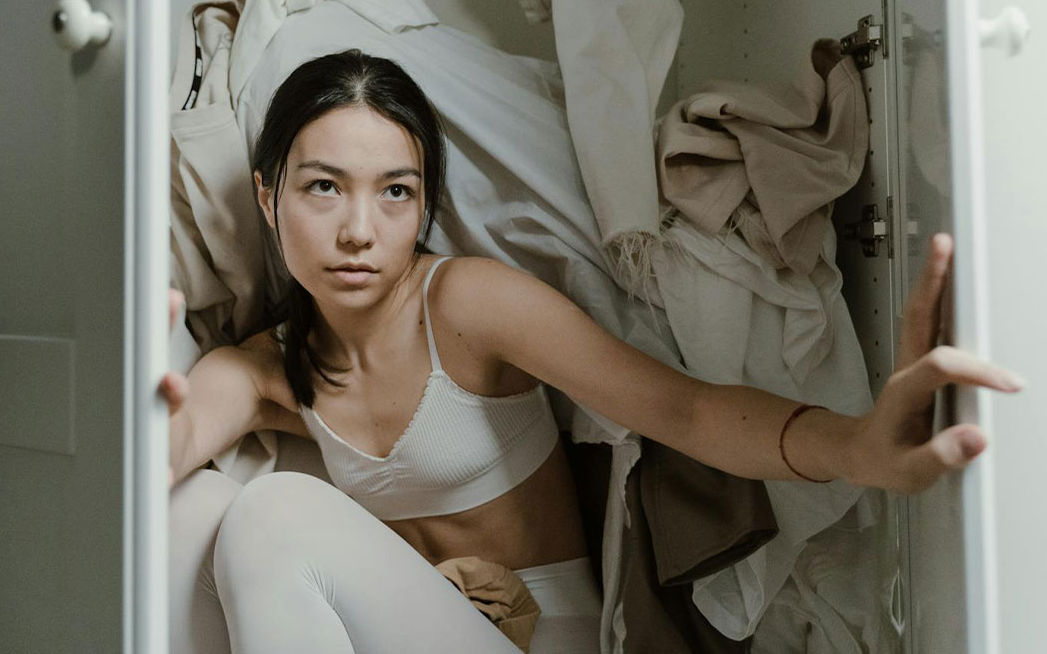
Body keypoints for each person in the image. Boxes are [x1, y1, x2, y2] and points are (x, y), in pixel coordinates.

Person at [159, 50, 1021, 654]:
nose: (359, 230)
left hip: (540, 641)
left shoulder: (464, 306)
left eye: (395, 191)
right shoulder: (262, 369)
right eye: (323, 187)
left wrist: (860, 446)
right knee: (190, 511)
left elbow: (686, 409)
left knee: (272, 510)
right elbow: (148, 466)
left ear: (423, 208)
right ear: (269, 198)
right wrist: (138, 380)